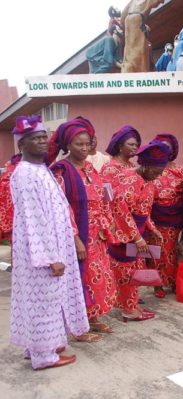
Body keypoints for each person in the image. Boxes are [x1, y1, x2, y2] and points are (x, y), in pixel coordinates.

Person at [10, 115, 88, 370]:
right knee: (44, 303)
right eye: (35, 138)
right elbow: (35, 220)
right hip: (41, 255)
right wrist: (50, 258)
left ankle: (39, 347)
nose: (43, 141)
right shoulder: (25, 174)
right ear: (21, 144)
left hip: (50, 249)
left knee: (44, 301)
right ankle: (44, 357)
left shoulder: (38, 169)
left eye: (44, 137)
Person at [48, 117, 116, 340]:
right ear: (68, 145)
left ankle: (92, 318)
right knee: (79, 280)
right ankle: (78, 329)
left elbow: (102, 197)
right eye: (79, 144)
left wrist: (107, 225)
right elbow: (62, 209)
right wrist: (76, 239)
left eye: (88, 143)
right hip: (78, 235)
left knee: (96, 277)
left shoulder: (90, 168)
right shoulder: (61, 171)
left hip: (97, 234)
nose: (85, 148)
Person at [108, 140, 169, 322]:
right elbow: (121, 210)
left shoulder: (147, 180)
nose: (157, 176)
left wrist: (152, 228)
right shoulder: (130, 180)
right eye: (155, 172)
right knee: (126, 272)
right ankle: (128, 310)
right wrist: (137, 238)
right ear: (145, 166)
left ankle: (132, 304)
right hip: (125, 235)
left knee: (134, 271)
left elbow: (144, 211)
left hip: (137, 232)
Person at [148, 134, 183, 298]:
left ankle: (173, 281)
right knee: (157, 252)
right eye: (161, 147)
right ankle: (157, 284)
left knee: (174, 252)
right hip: (156, 218)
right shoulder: (151, 169)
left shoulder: (180, 170)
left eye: (168, 147)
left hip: (176, 217)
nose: (165, 150)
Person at [120, 0, 165, 72]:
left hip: (129, 22)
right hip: (137, 22)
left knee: (134, 52)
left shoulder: (132, 3)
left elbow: (122, 19)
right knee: (140, 52)